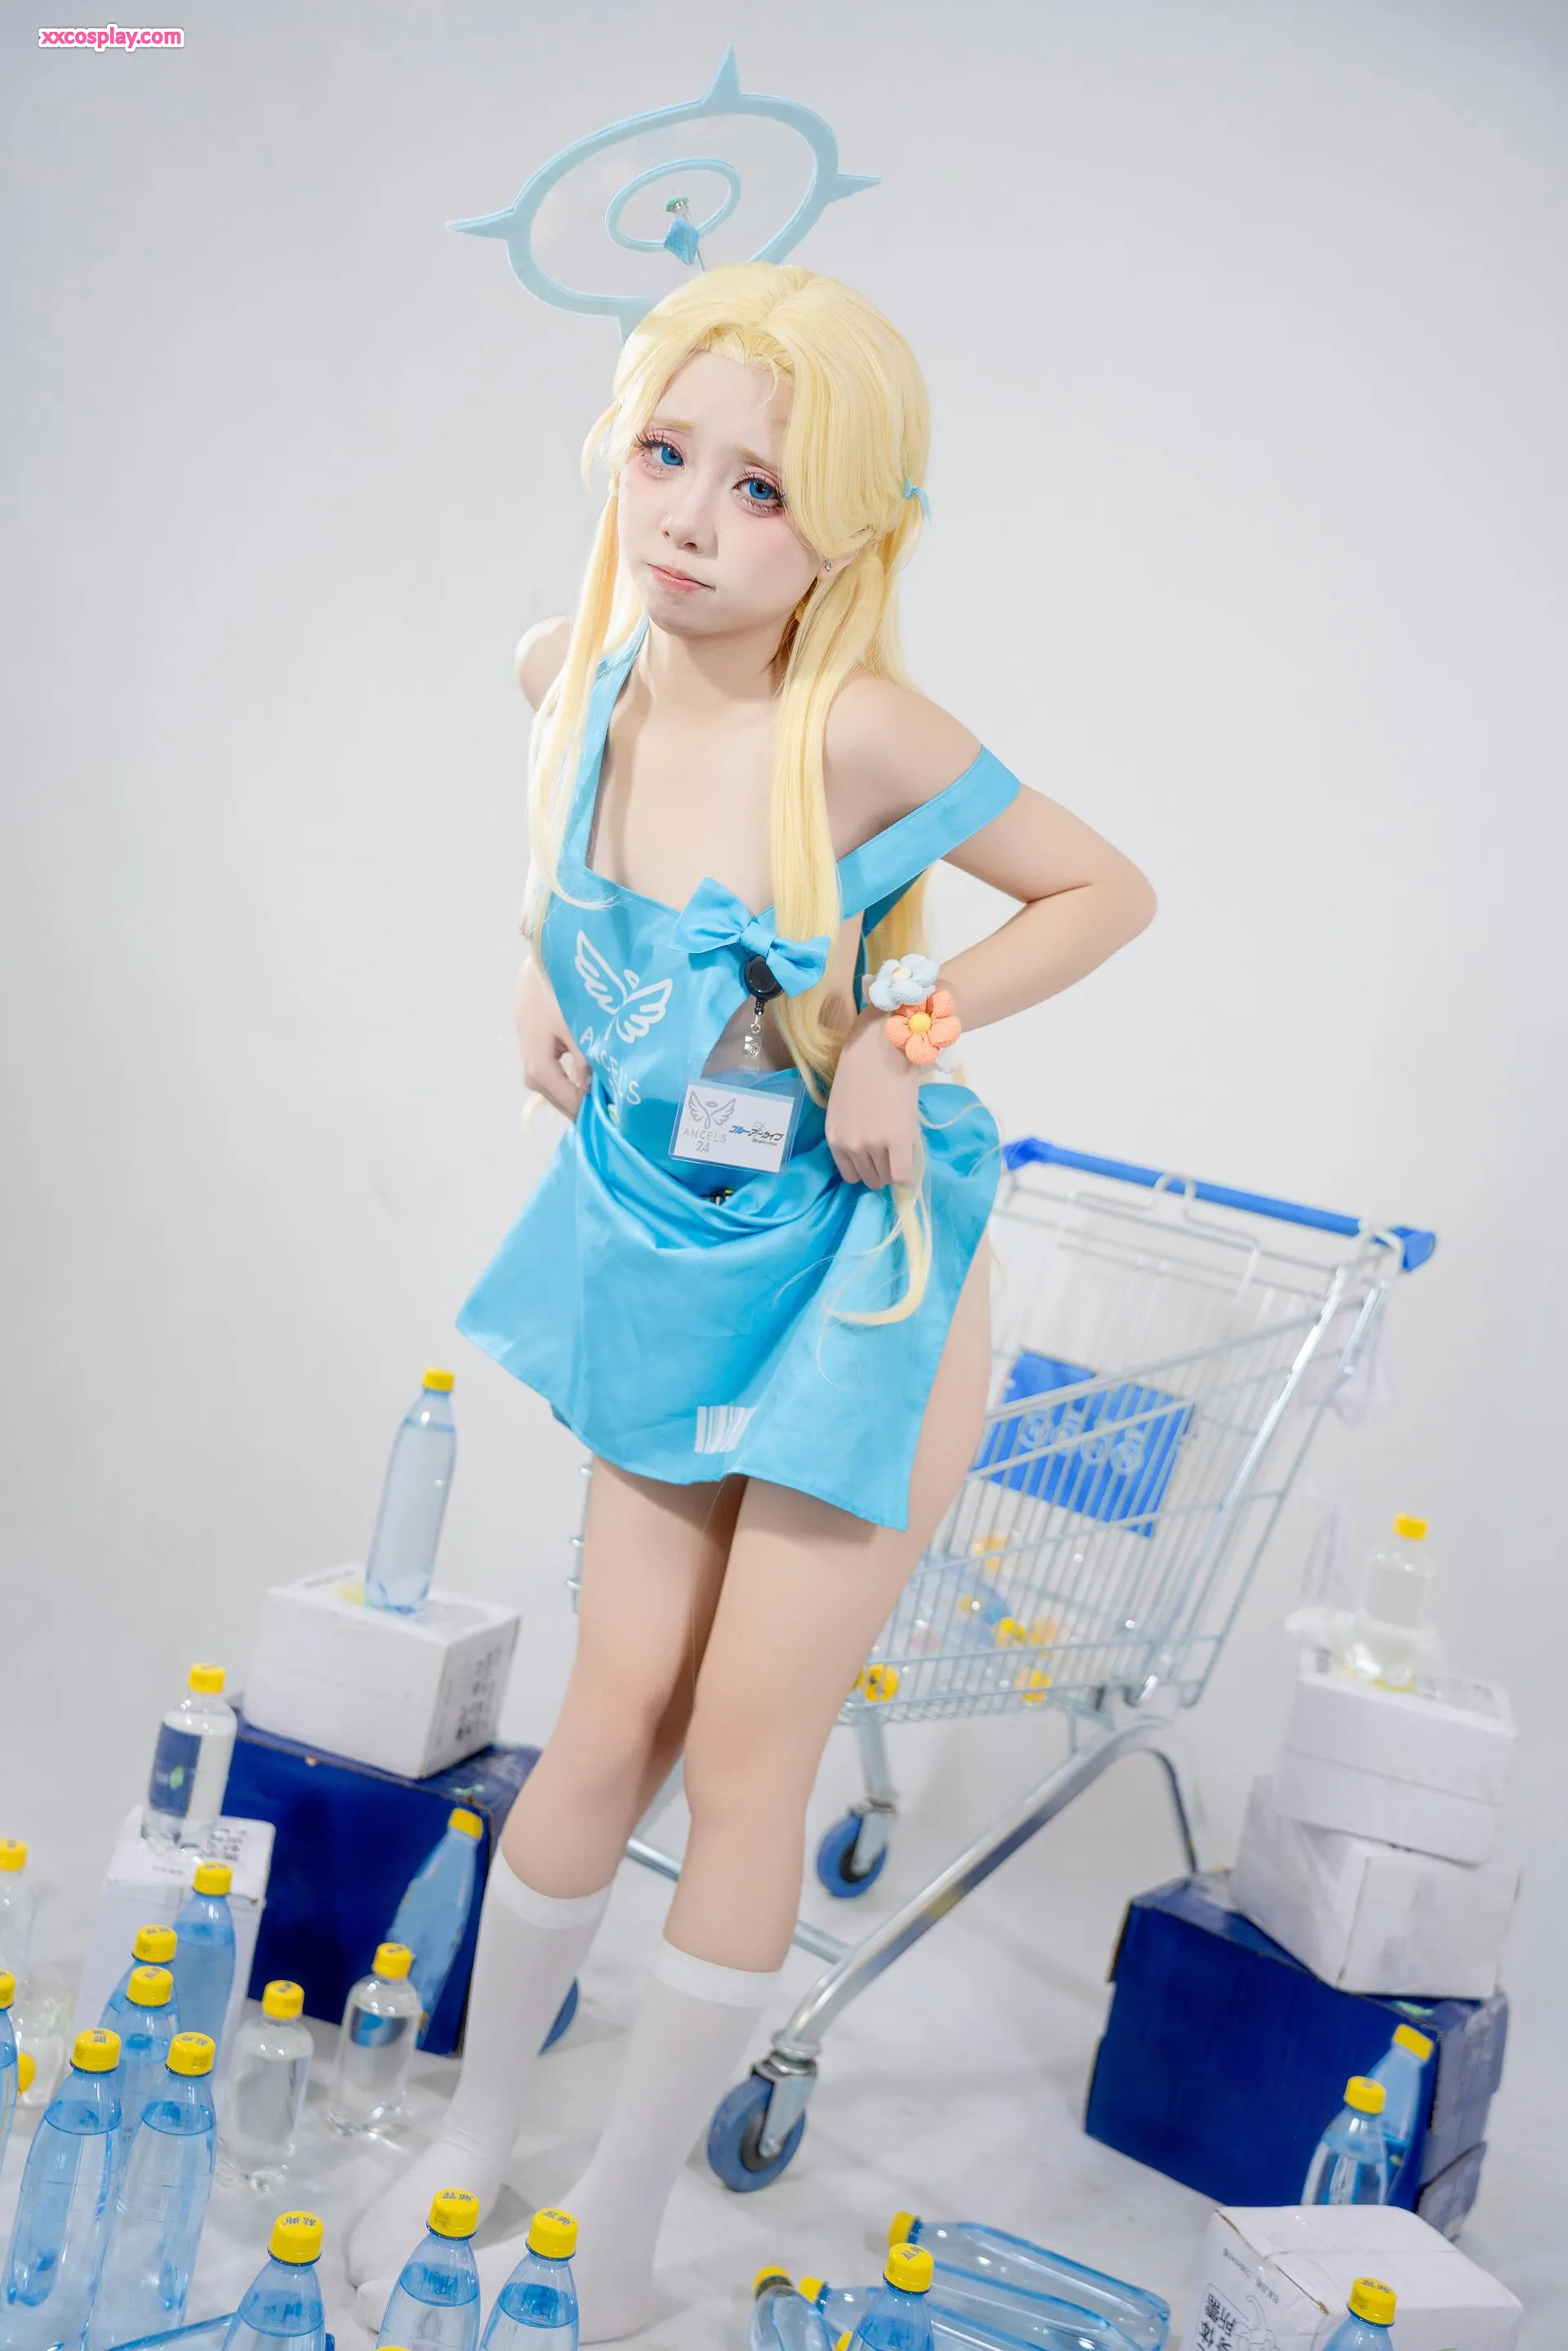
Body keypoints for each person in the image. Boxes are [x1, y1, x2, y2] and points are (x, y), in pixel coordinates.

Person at [348, 261, 1156, 2341]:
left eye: (764, 488)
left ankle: (619, 2222)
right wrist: (530, 976)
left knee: (741, 1748)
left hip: (865, 1280)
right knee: (608, 1708)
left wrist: (906, 1026)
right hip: (668, 1250)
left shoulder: (855, 727)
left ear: (852, 528)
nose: (694, 519)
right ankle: (475, 2140)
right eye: (666, 454)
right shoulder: (575, 672)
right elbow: (554, 869)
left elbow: (1104, 887)